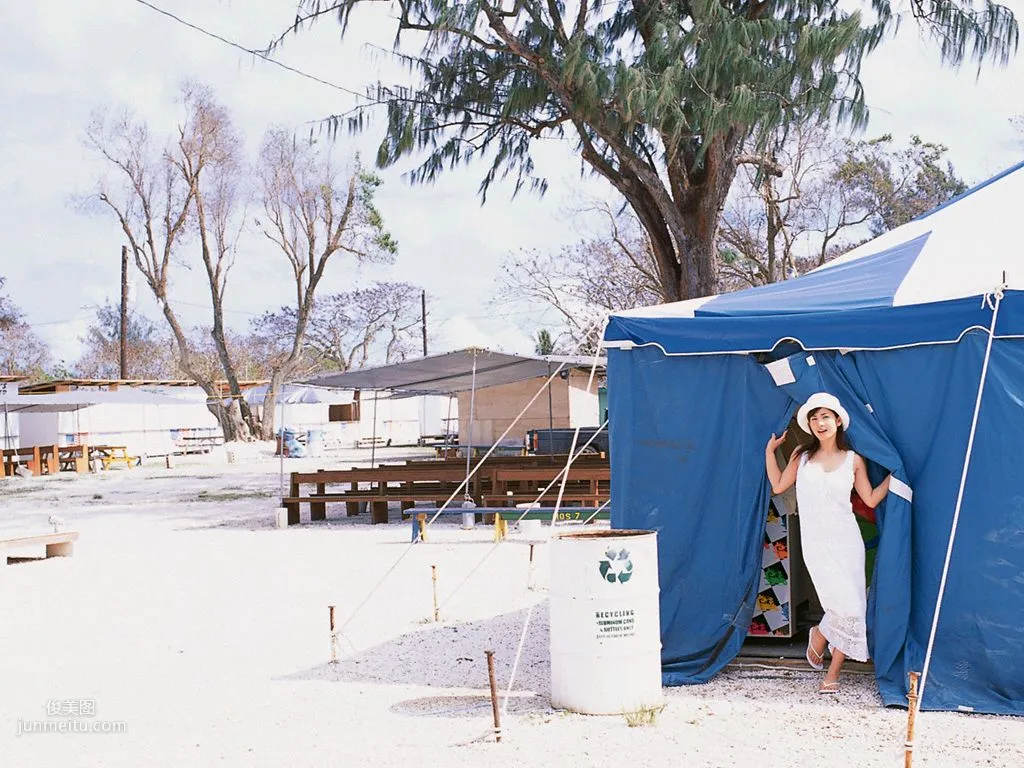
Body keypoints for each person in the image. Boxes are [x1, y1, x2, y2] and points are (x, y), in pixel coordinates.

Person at [764, 392, 891, 694]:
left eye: (825, 416)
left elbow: (870, 498)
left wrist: (896, 477)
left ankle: (831, 670)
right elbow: (779, 485)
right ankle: (820, 634)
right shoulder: (802, 456)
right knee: (836, 605)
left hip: (847, 542)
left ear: (837, 421)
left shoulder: (853, 459)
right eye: (814, 417)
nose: (819, 423)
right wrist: (770, 453)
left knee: (853, 606)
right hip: (816, 543)